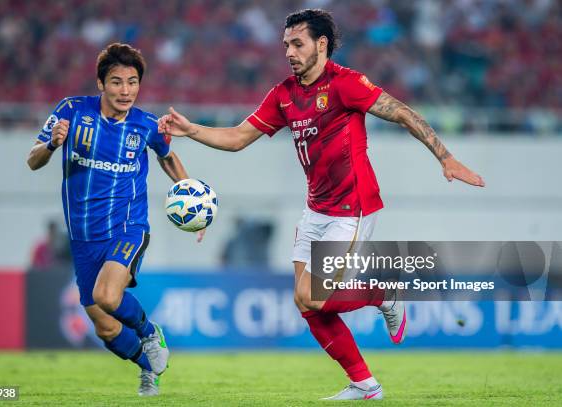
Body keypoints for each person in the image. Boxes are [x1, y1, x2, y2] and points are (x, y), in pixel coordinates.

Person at [158, 9, 485, 401]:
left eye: (298, 44)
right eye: (286, 46)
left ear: (322, 44)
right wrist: (191, 130)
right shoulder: (283, 94)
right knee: (309, 304)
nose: (290, 53)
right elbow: (238, 137)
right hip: (316, 209)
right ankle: (366, 385)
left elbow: (401, 112)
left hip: (354, 207)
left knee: (311, 295)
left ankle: (385, 295)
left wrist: (444, 157)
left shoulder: (346, 84)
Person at [27, 43, 202, 396]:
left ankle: (151, 334)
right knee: (105, 327)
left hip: (127, 227)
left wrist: (194, 202)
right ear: (100, 84)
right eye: (117, 82)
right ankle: (147, 368)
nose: (126, 91)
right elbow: (32, 160)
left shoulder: (147, 124)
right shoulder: (71, 111)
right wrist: (51, 145)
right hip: (82, 236)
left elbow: (167, 156)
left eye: (133, 82)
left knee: (107, 296)